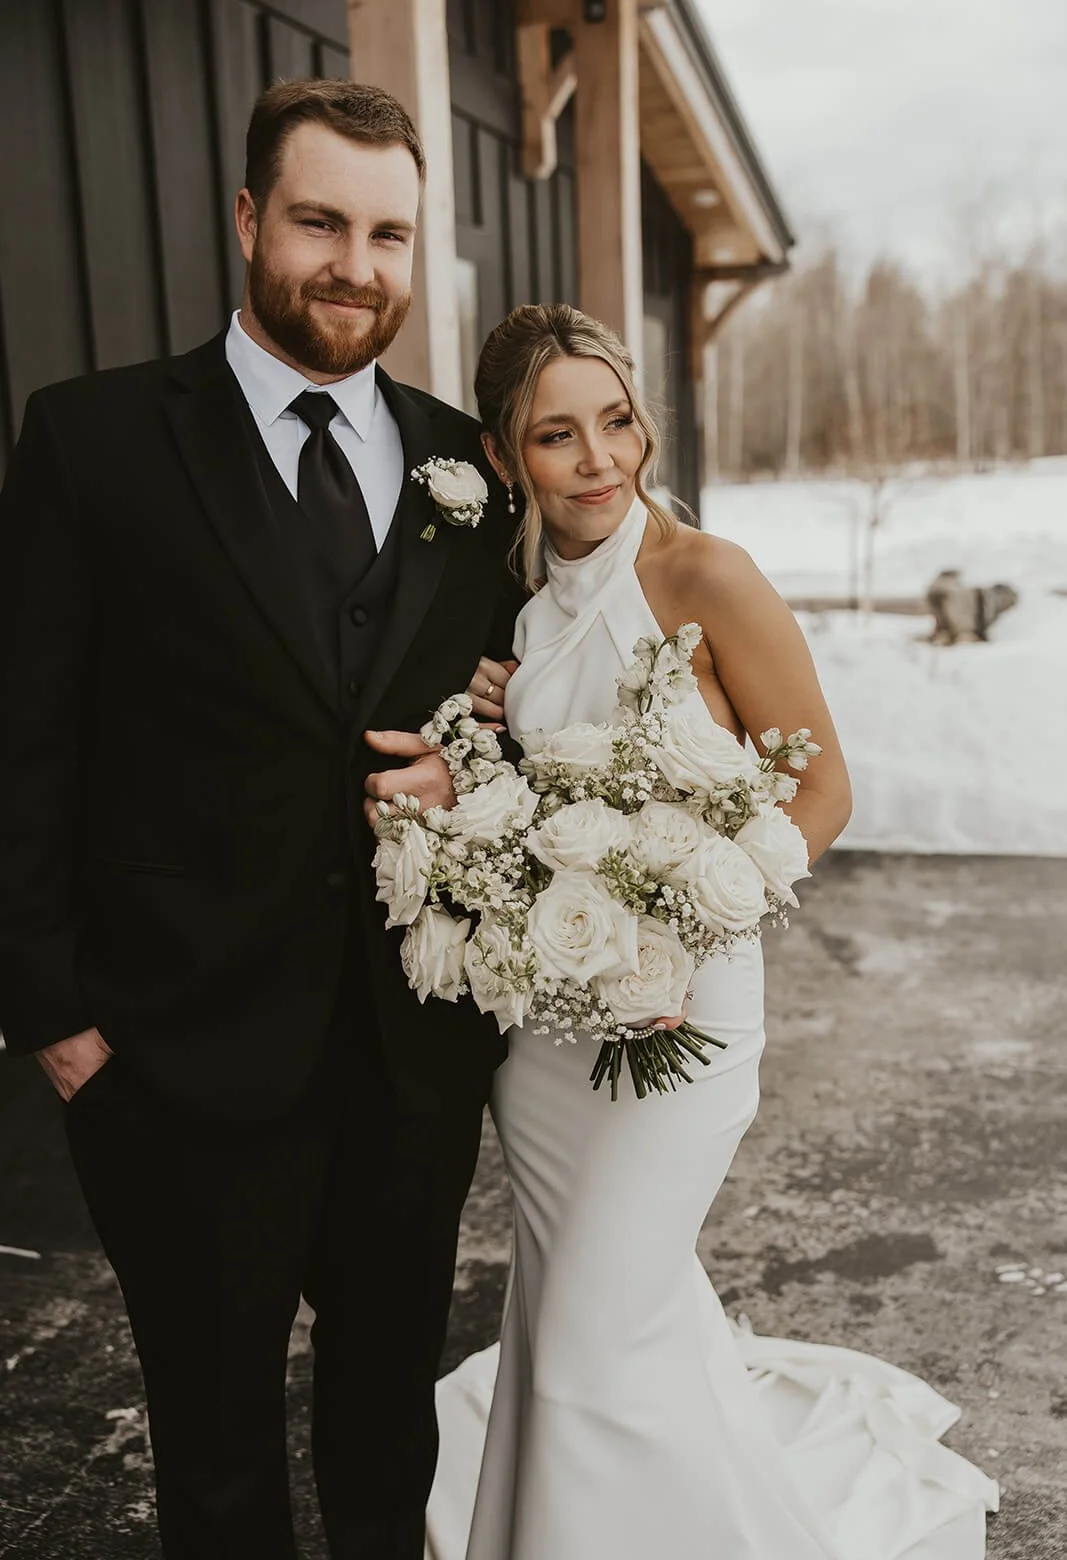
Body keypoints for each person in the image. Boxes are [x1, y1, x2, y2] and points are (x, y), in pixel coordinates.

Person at [0, 79, 524, 1560]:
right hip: (171, 1060)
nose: (355, 266)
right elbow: (24, 738)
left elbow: (521, 710)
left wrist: (476, 766)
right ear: (246, 220)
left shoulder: (471, 468)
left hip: (407, 1059)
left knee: (385, 1443)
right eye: (318, 223)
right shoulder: (92, 439)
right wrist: (57, 1021)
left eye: (387, 234)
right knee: (216, 1459)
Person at [422, 303, 1000, 1559]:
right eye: (556, 436)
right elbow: (534, 803)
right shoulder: (514, 611)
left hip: (685, 1018)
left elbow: (822, 787)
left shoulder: (704, 575)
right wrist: (483, 726)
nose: (598, 460)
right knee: (585, 1325)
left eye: (615, 422)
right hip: (551, 1040)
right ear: (505, 454)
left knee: (591, 1337)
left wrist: (688, 913)